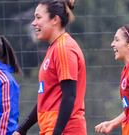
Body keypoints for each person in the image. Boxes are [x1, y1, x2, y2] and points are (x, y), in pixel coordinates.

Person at [13, 0, 87, 135]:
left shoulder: (64, 48)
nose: (33, 22)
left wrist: (57, 132)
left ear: (55, 20)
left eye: (38, 17)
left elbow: (69, 96)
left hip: (67, 131)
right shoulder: (54, 48)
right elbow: (45, 100)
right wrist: (22, 129)